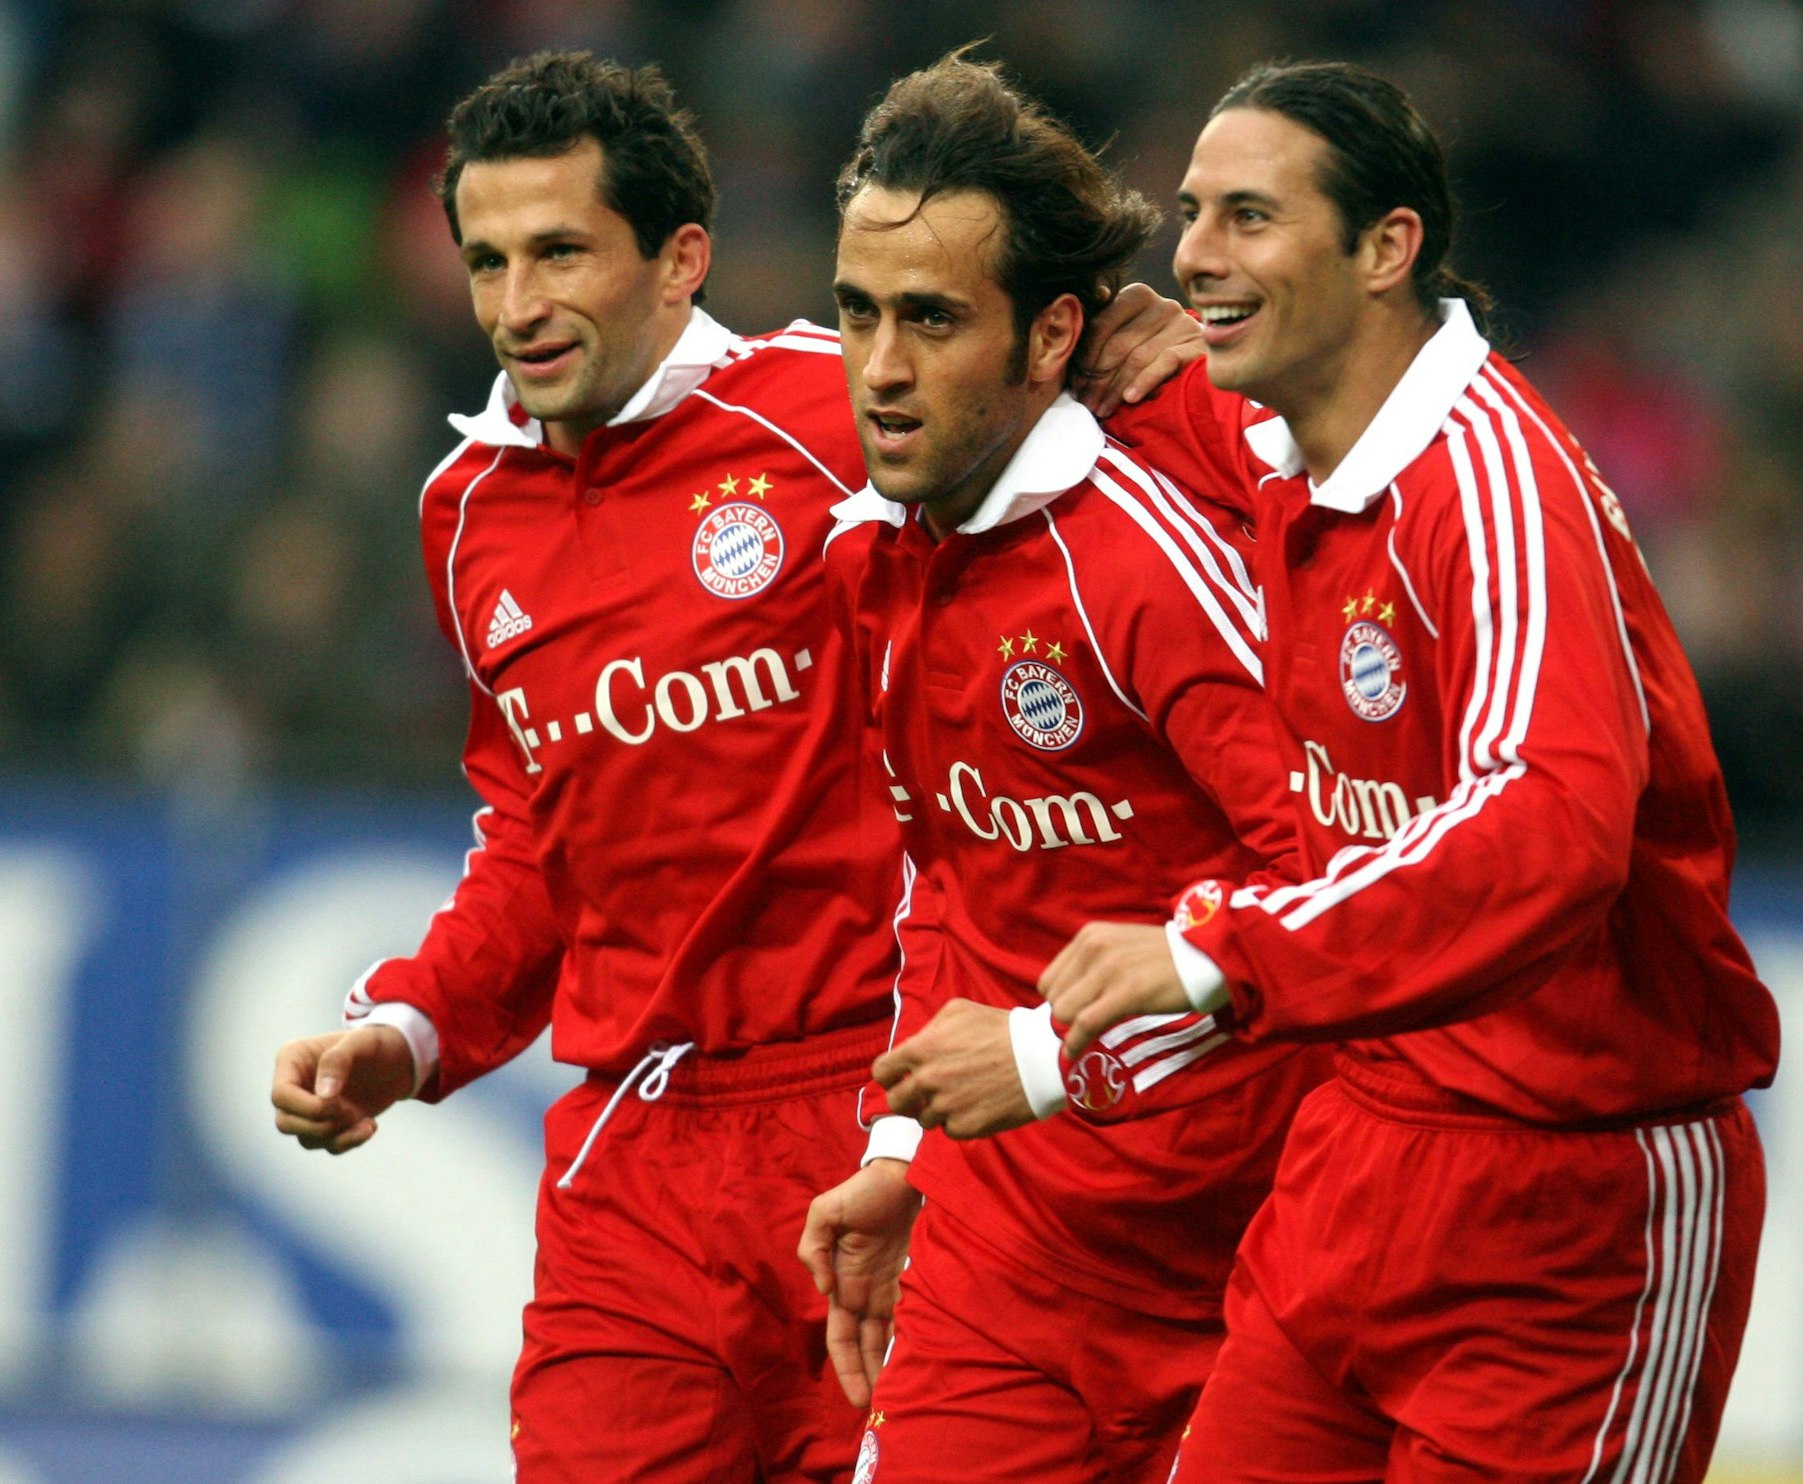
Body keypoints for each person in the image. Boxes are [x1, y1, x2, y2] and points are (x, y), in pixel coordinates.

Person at [264, 50, 1198, 1484]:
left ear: (679, 258)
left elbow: (1090, 471)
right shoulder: (466, 513)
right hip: (632, 1162)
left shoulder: (845, 413)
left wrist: (1166, 362)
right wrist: (405, 1033)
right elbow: (533, 841)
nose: (520, 306)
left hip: (879, 1113)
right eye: (488, 261)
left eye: (561, 252)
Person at [1041, 61, 1782, 1484]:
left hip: (1570, 1196)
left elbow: (1547, 823)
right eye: (1192, 214)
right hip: (1358, 1156)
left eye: (1249, 216)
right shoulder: (1280, 434)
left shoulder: (1496, 482)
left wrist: (1218, 953)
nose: (1193, 252)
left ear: (1386, 249)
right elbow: (1165, 404)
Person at [796, 55, 1331, 1484]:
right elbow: (952, 887)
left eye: (930, 320)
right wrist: (910, 1146)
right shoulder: (869, 558)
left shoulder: (1140, 560)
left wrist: (1049, 1056)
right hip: (1013, 1259)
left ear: (1048, 342)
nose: (882, 369)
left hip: (1250, 1255)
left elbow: (1334, 881)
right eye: (858, 314)